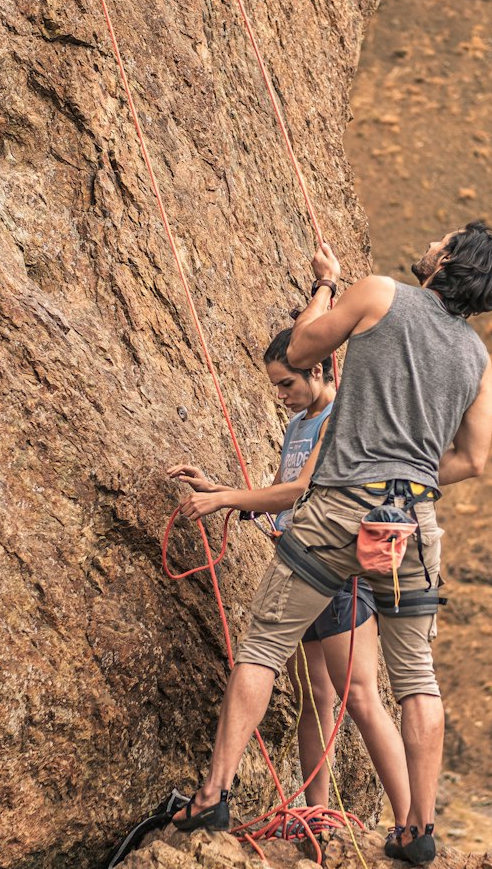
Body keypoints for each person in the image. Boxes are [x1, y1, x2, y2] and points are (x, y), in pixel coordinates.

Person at [174, 220, 492, 867]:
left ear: (448, 260)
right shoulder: (477, 359)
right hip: (412, 522)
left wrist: (325, 285)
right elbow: (472, 460)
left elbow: (301, 348)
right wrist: (407, 472)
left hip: (339, 509)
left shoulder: (379, 293)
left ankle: (214, 794)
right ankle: (418, 828)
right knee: (414, 677)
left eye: (443, 239)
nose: (432, 241)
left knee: (267, 643)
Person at [169, 328, 410, 836]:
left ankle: (412, 821)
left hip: (337, 573)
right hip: (303, 565)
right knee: (317, 695)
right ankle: (312, 816)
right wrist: (221, 489)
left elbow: (301, 489)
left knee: (361, 697)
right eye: (276, 386)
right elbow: (287, 495)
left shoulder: (339, 415)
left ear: (317, 370)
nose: (281, 396)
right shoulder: (300, 424)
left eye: (286, 384)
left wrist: (226, 500)